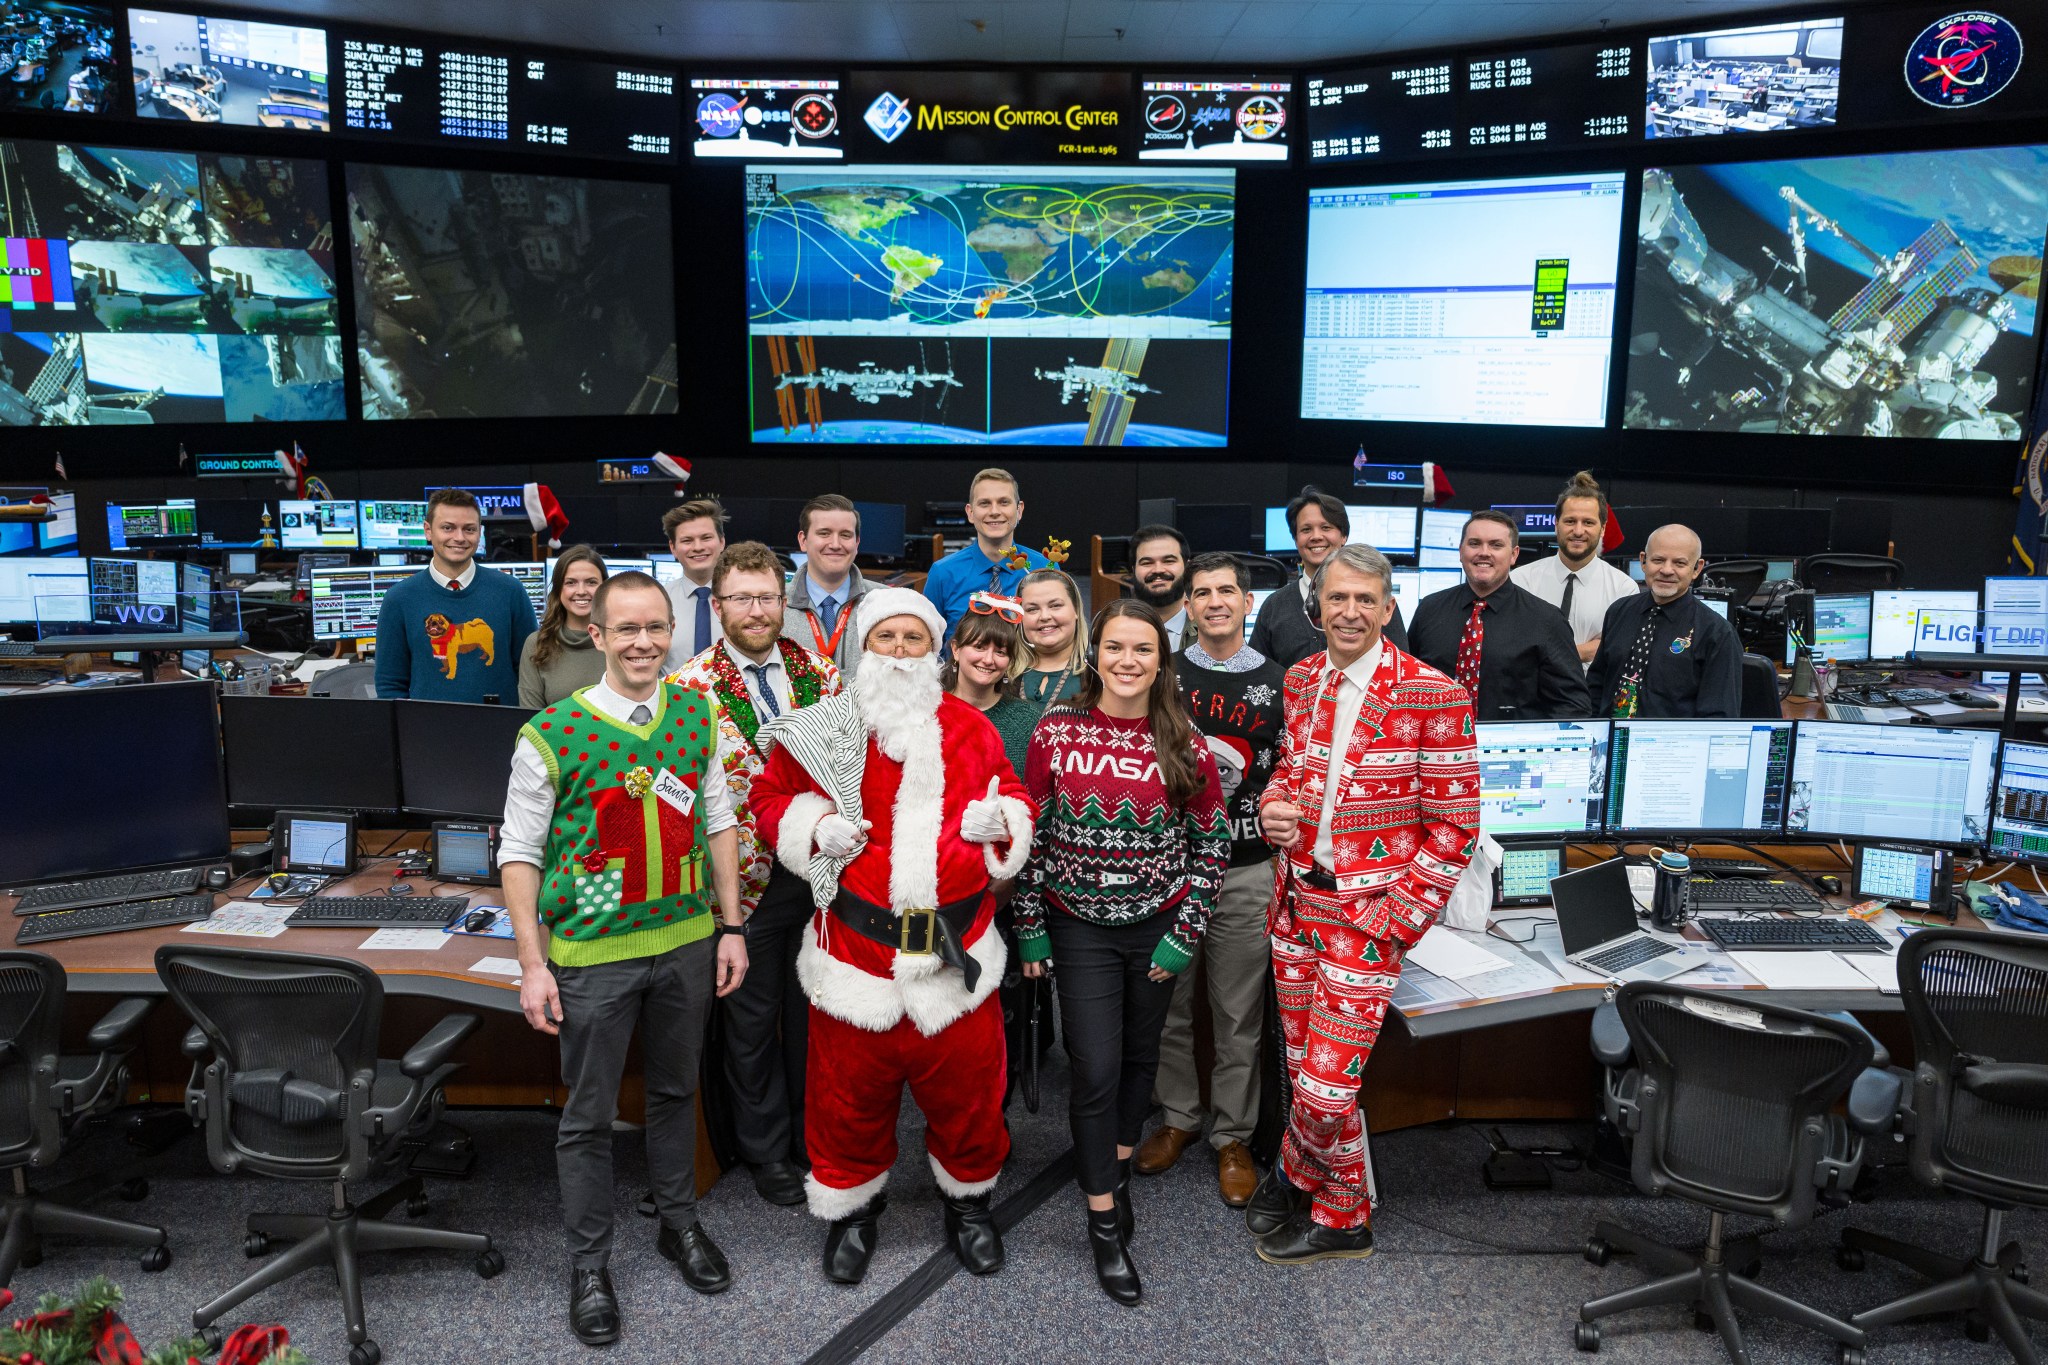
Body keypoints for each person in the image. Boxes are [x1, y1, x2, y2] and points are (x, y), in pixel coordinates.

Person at [751, 587, 1035, 1286]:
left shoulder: (971, 727)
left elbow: (1016, 794)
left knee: (970, 1096)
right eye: (888, 638)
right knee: (845, 1099)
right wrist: (815, 826)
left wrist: (1002, 818)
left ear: (933, 650)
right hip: (856, 957)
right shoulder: (825, 727)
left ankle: (969, 1202)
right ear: (864, 649)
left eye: (914, 639)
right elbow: (768, 798)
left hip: (955, 955)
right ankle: (853, 1208)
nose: (901, 652)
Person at [499, 571, 750, 1347]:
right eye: (626, 629)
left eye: (656, 627)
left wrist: (731, 924)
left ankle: (679, 1224)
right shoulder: (552, 733)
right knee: (591, 1115)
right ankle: (589, 1263)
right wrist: (533, 963)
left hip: (684, 939)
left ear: (671, 632)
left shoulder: (695, 714)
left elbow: (716, 821)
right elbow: (518, 855)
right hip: (591, 954)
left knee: (676, 1093)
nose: (643, 642)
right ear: (597, 636)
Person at [1252, 544, 1480, 1265]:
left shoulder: (1433, 693)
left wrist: (1395, 918)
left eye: (1364, 600)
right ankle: (1333, 1204)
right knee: (1301, 1068)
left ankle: (1309, 1178)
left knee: (1323, 1090)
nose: (1348, 611)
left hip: (1367, 919)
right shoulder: (1300, 678)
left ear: (1387, 609)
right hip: (1296, 908)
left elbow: (1456, 826)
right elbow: (1288, 768)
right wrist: (1272, 806)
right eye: (1336, 598)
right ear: (1316, 606)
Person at [1016, 600, 1229, 1306]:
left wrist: (1185, 930)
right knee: (1096, 1066)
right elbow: (1031, 837)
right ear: (1094, 653)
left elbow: (1213, 844)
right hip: (1076, 924)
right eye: (1115, 647)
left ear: (1161, 661)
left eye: (1143, 649)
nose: (1128, 661)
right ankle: (1103, 1223)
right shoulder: (1057, 729)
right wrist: (1031, 928)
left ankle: (1112, 1167)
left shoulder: (1185, 741)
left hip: (1158, 925)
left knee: (1141, 1060)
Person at [668, 541, 843, 1208]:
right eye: (741, 597)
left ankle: (810, 1137)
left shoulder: (821, 675)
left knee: (815, 1018)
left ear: (783, 601)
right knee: (750, 1019)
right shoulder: (688, 688)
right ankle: (764, 1149)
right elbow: (677, 790)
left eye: (767, 596)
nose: (756, 609)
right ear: (717, 606)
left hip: (820, 873)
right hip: (739, 881)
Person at [1135, 552, 1285, 1208]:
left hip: (1248, 867)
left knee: (1238, 1013)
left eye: (1228, 591)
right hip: (1167, 870)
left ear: (1247, 602)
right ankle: (1177, 1116)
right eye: (1203, 592)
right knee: (1169, 1006)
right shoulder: (1159, 675)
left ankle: (1232, 1135)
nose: (1216, 601)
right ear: (1188, 606)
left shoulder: (1285, 682)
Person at [1407, 510, 1590, 721]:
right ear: (1460, 551)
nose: (1484, 552)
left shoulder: (1547, 620)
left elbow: (1573, 705)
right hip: (1436, 746)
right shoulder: (1429, 610)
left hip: (1512, 749)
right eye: (1474, 543)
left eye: (1496, 545)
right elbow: (1406, 686)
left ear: (1514, 555)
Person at [375, 487, 536, 704]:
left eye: (469, 529)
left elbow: (530, 673)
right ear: (428, 530)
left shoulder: (511, 592)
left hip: (500, 730)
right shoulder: (399, 599)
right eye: (448, 528)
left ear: (479, 532)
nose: (459, 538)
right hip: (427, 733)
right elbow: (390, 685)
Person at [1587, 523, 1744, 718]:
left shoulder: (1718, 634)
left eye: (1679, 563)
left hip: (1672, 746)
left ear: (1697, 568)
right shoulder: (1619, 612)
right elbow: (1596, 685)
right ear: (1643, 561)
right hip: (1610, 739)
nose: (1667, 570)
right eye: (1658, 560)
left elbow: (1719, 718)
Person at [1249, 487, 1407, 669]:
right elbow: (1258, 675)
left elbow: (1401, 667)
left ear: (1344, 536)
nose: (1316, 536)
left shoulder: (1374, 601)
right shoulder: (1274, 606)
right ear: (1295, 539)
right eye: (1306, 529)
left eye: (1326, 527)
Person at [1511, 470, 1638, 668]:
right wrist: (1587, 650)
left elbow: (1617, 647)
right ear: (1556, 525)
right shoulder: (1520, 580)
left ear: (1603, 528)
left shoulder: (1623, 588)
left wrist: (1546, 652)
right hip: (1529, 693)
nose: (1578, 531)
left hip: (1591, 695)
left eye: (1588, 522)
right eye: (1570, 521)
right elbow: (1511, 641)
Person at [921, 468, 1049, 636]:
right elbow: (926, 641)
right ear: (970, 512)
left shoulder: (1044, 568)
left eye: (1004, 502)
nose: (994, 511)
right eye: (984, 503)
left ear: (1019, 510)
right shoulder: (943, 573)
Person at [945, 593, 1038, 779]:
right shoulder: (931, 709)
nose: (988, 660)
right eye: (979, 647)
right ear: (956, 650)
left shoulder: (1027, 720)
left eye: (1000, 652)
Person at [785, 494, 876, 679]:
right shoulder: (773, 604)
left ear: (857, 543)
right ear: (803, 540)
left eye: (845, 535)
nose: (835, 544)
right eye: (824, 533)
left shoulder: (886, 601)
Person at [518, 546, 609, 708]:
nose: (581, 591)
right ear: (559, 589)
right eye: (571, 583)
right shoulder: (537, 644)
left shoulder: (620, 640)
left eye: (591, 582)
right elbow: (531, 719)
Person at [661, 498, 728, 670]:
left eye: (706, 538)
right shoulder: (658, 601)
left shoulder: (745, 599)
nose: (697, 547)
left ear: (721, 542)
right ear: (673, 548)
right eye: (687, 540)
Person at [1015, 567, 1089, 709]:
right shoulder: (1002, 670)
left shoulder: (1098, 671)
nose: (1044, 616)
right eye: (1032, 609)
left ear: (1076, 610)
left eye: (1055, 606)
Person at [1129, 523, 1190, 651]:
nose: (1158, 570)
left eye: (1169, 561)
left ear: (1187, 567)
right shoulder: (1114, 627)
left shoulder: (1209, 627)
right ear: (1134, 570)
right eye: (1147, 563)